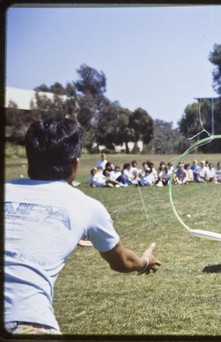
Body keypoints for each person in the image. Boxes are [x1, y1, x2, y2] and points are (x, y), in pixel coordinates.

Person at [4, 118, 161, 335]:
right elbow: (123, 261)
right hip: (25, 321)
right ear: (75, 165)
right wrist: (145, 262)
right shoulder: (87, 206)